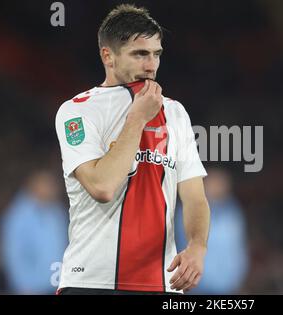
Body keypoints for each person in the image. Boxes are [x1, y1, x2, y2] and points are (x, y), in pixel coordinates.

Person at [54, 4, 210, 295]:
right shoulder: (77, 111)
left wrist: (197, 246)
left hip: (161, 285)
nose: (151, 66)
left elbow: (195, 197)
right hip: (91, 283)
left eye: (156, 54)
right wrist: (137, 118)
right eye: (140, 54)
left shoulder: (175, 113)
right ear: (108, 56)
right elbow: (103, 187)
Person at [176, 167, 249, 294]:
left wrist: (238, 278)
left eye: (220, 184)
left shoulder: (233, 213)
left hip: (227, 288)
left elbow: (238, 249)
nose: (216, 188)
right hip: (195, 288)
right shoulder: (186, 212)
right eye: (212, 183)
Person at [0, 170, 68, 294]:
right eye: (48, 185)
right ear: (34, 186)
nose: (54, 189)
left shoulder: (57, 211)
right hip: (31, 287)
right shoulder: (18, 215)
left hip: (57, 284)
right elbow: (13, 253)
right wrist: (23, 284)